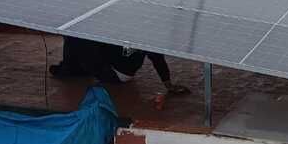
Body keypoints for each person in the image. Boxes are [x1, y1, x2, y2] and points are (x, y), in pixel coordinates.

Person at [49, 36, 189, 94]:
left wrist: (169, 85)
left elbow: (158, 59)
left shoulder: (143, 38)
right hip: (119, 69)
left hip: (114, 73)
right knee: (90, 40)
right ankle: (77, 67)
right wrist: (168, 84)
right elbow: (158, 59)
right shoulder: (145, 36)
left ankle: (69, 69)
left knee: (74, 36)